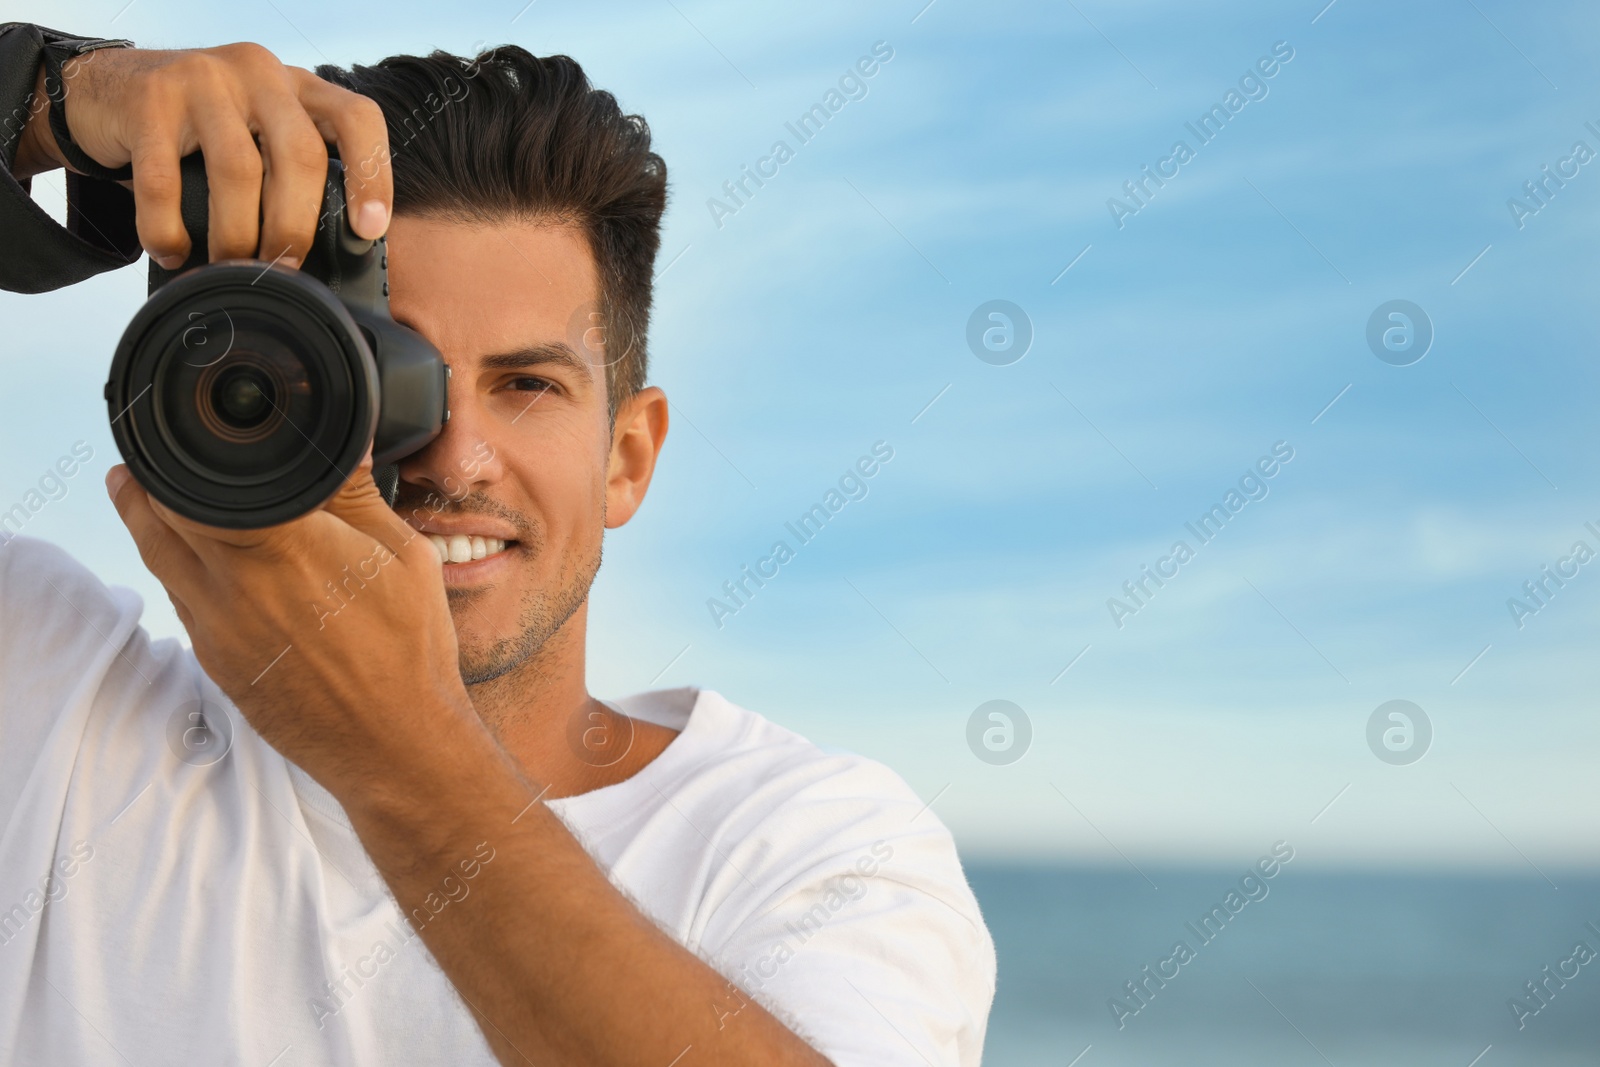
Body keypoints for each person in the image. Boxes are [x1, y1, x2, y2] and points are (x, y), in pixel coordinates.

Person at [0, 20, 995, 1067]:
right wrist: (52, 103)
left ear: (626, 457)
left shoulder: (807, 846)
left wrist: (398, 744)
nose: (455, 457)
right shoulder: (46, 706)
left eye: (527, 384)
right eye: (381, 377)